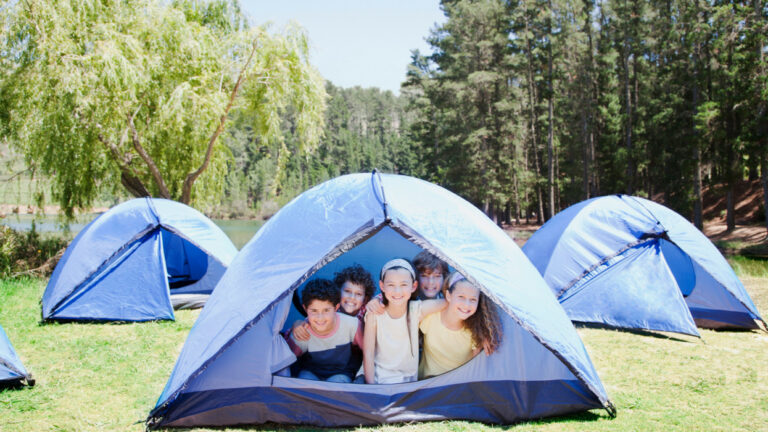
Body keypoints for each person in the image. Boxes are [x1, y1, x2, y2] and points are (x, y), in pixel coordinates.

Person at [363, 258, 446, 384]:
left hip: (407, 383)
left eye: (403, 285)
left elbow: (452, 301)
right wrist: (372, 387)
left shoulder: (416, 310)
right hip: (377, 379)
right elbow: (368, 354)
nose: (397, 291)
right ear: (382, 286)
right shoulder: (374, 313)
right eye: (391, 285)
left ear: (413, 286)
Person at [418, 271, 502, 379]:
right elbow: (414, 311)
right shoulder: (430, 318)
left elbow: (474, 370)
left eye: (473, 300)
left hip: (456, 387)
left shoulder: (476, 331)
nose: (466, 305)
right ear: (448, 295)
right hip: (425, 384)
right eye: (461, 297)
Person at [283, 278, 363, 383]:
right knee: (304, 379)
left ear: (336, 307)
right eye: (314, 311)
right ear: (305, 309)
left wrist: (361, 378)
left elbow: (370, 352)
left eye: (326, 310)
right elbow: (285, 361)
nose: (320, 317)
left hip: (340, 373)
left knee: (339, 383)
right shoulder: (303, 331)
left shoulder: (352, 325)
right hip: (311, 372)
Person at [291, 265, 375, 341]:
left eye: (358, 294)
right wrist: (297, 323)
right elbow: (311, 319)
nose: (352, 297)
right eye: (347, 291)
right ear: (338, 291)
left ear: (365, 299)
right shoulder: (331, 309)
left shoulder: (368, 311)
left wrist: (377, 300)